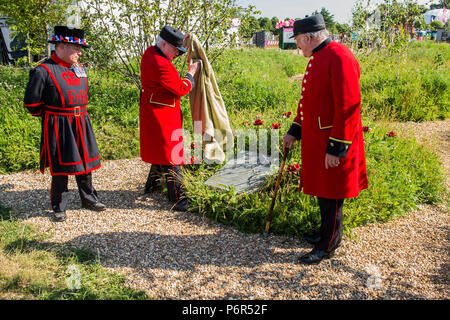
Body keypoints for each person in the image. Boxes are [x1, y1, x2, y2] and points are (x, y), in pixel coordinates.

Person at [283, 14, 368, 264]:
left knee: (331, 195)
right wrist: (294, 131)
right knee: (323, 193)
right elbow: (309, 101)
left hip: (333, 142)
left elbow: (348, 106)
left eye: (298, 40)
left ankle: (328, 245)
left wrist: (337, 148)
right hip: (318, 140)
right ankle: (325, 234)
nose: (297, 46)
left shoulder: (339, 56)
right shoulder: (319, 56)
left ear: (308, 37)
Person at [23, 26, 106, 222]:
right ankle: (59, 206)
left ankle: (89, 199)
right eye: (75, 48)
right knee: (61, 166)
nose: (79, 52)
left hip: (81, 121)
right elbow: (31, 103)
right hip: (59, 125)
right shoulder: (43, 70)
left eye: (80, 49)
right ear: (61, 46)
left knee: (85, 163)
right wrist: (53, 118)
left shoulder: (79, 68)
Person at [140, 26, 200, 211]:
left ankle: (153, 186)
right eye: (175, 49)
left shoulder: (151, 53)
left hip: (154, 110)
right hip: (162, 114)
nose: (177, 54)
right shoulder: (160, 63)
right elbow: (181, 88)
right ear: (163, 44)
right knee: (172, 152)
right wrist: (191, 74)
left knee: (160, 148)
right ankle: (177, 198)